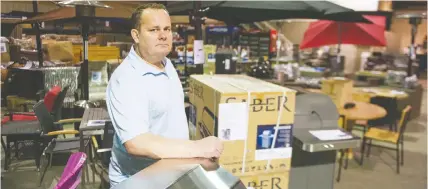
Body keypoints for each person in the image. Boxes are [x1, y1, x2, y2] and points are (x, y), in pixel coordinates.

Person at [105, 3, 223, 187]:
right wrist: (197, 147)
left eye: (167, 29)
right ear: (136, 35)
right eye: (154, 29)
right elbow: (137, 143)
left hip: (170, 173)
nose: (163, 35)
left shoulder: (166, 64)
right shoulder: (127, 79)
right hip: (139, 181)